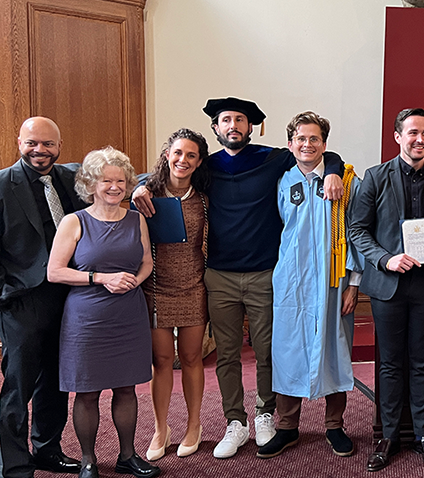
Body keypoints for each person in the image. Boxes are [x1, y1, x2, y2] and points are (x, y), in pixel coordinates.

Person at [132, 97, 345, 459]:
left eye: (240, 120)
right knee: (228, 353)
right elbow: (165, 172)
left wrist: (335, 170)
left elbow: (322, 154)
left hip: (265, 273)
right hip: (219, 275)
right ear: (216, 129)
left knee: (266, 350)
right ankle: (235, 420)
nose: (233, 125)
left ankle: (265, 414)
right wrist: (140, 185)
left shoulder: (271, 159)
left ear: (251, 127)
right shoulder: (205, 167)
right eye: (226, 120)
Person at [348, 107, 424, 472]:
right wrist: (385, 259)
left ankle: (423, 434)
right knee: (389, 364)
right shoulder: (374, 177)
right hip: (389, 286)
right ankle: (388, 437)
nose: (421, 139)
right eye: (413, 133)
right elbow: (358, 230)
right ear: (398, 137)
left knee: (421, 362)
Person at [47, 147, 159, 478]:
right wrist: (101, 278)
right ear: (90, 184)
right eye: (106, 180)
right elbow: (54, 272)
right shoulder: (74, 221)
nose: (113, 186)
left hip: (128, 312)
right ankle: (88, 461)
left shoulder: (135, 218)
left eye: (120, 180)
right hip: (87, 317)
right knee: (88, 391)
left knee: (127, 387)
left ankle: (128, 455)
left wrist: (133, 282)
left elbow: (146, 262)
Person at [0, 117, 85, 478]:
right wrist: (1, 297)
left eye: (48, 144)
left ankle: (46, 448)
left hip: (67, 296)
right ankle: (18, 472)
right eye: (32, 143)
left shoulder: (71, 179)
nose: (39, 150)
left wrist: (144, 186)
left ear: (59, 145)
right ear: (19, 142)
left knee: (55, 380)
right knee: (18, 387)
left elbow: (121, 178)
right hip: (22, 300)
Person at [258, 111, 361, 459]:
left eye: (314, 138)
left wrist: (354, 284)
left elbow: (358, 234)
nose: (307, 144)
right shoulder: (279, 181)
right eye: (300, 138)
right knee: (287, 349)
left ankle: (335, 425)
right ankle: (286, 425)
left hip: (334, 279)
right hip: (292, 280)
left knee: (335, 347)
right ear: (290, 144)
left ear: (324, 144)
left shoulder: (345, 181)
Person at [139, 129, 211, 460]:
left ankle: (194, 424)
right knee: (162, 360)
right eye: (178, 153)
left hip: (194, 286)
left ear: (199, 162)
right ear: (167, 154)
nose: (183, 160)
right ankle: (160, 427)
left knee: (193, 358)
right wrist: (138, 187)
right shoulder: (146, 193)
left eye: (191, 155)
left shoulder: (205, 197)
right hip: (157, 287)